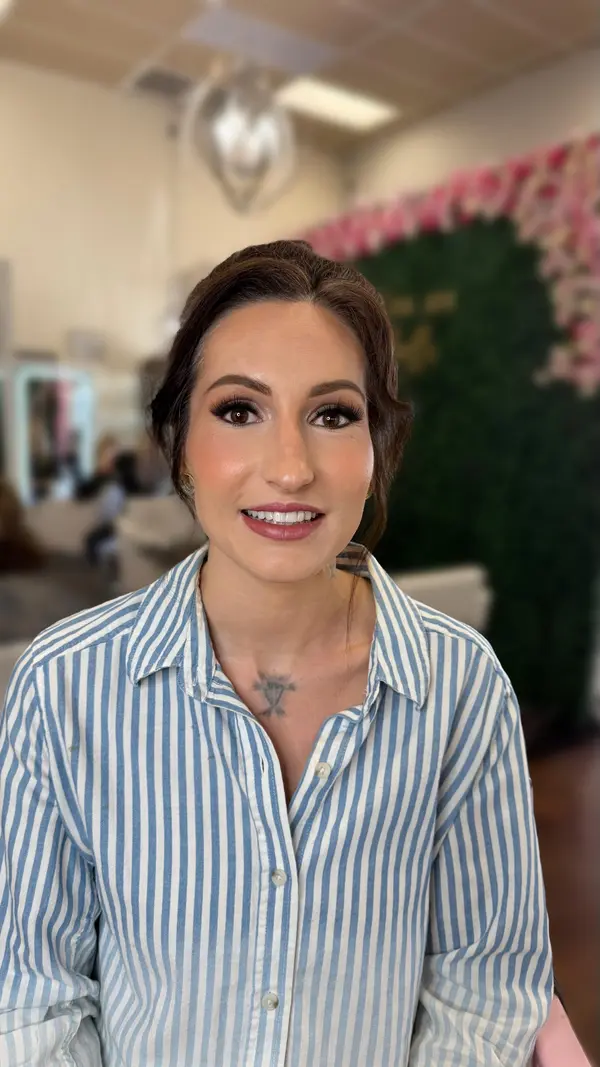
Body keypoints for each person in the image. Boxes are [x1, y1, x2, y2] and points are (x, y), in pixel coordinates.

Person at [0, 240, 553, 1066]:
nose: (291, 469)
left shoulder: (461, 687)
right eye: (238, 410)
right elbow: (33, 997)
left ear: (377, 446)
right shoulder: (64, 686)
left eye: (332, 415)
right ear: (179, 441)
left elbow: (487, 986)